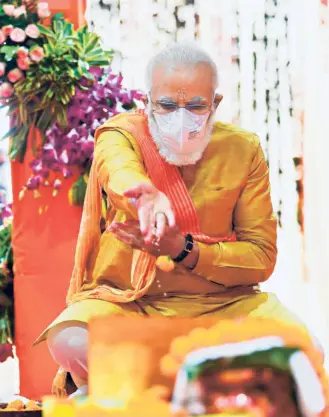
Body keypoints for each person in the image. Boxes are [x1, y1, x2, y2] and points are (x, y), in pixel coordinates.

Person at [35, 42, 314, 398]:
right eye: (166, 105)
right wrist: (143, 192)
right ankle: (206, 385)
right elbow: (116, 167)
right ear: (147, 100)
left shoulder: (243, 149)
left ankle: (134, 389)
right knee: (70, 339)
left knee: (307, 348)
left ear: (215, 103)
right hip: (134, 303)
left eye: (196, 105)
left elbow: (260, 257)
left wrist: (183, 249)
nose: (180, 117)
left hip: (224, 305)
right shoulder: (121, 135)